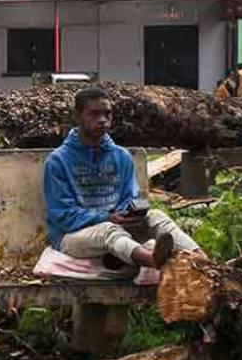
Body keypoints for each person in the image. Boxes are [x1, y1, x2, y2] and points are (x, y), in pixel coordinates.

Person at [44, 88, 206, 270]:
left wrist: (130, 215)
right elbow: (62, 215)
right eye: (94, 114)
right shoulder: (57, 161)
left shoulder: (121, 156)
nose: (103, 120)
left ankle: (205, 262)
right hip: (72, 236)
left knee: (156, 216)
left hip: (119, 228)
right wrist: (105, 218)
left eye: (107, 114)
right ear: (78, 116)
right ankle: (152, 260)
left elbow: (131, 197)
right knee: (107, 231)